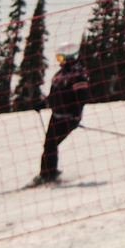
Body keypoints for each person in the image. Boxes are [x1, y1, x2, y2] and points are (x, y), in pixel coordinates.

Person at [39, 49, 91, 183]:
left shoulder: (78, 74)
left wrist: (75, 114)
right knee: (49, 145)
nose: (59, 61)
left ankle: (49, 174)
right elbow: (54, 96)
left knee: (51, 144)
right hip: (57, 115)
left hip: (68, 117)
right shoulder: (59, 75)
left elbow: (82, 96)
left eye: (61, 58)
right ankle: (47, 173)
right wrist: (42, 103)